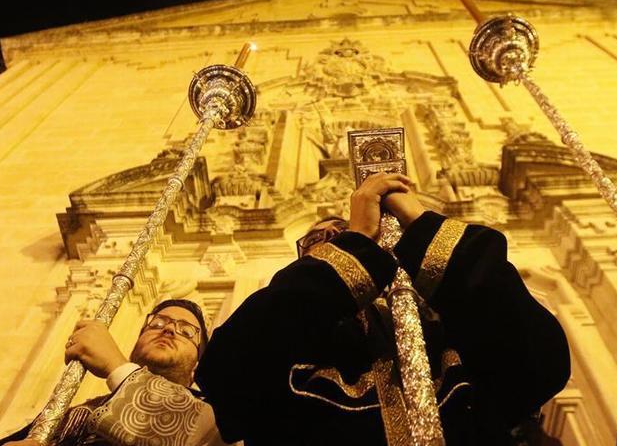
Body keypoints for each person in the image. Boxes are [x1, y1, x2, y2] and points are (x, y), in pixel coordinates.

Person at [195, 172, 571, 445]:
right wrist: (356, 239)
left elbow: (540, 361)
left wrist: (420, 222)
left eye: (345, 233)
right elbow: (227, 378)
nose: (338, 241)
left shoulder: (447, 330)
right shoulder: (280, 331)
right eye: (322, 239)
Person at [0, 298, 229, 446]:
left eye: (186, 331)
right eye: (157, 323)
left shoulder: (217, 419)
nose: (168, 329)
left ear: (197, 365)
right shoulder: (75, 413)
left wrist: (116, 366)